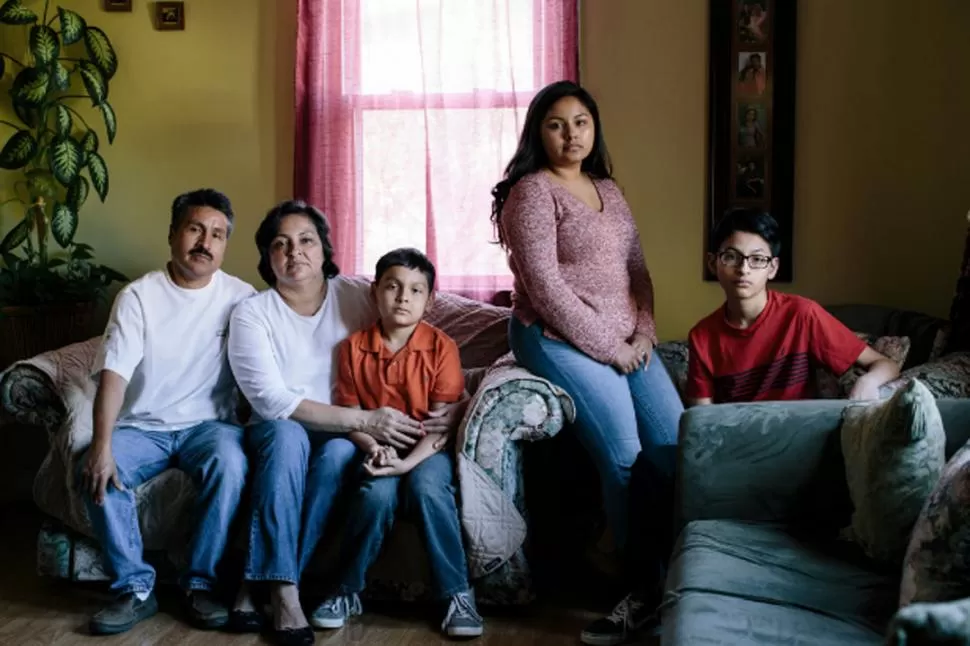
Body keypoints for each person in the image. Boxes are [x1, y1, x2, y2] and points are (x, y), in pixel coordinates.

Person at [491, 80, 683, 646]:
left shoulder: (609, 190)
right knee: (625, 457)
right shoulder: (532, 193)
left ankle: (676, 575)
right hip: (553, 336)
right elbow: (546, 290)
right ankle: (641, 593)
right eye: (556, 123)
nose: (571, 133)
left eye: (581, 121)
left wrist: (643, 333)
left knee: (675, 448)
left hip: (628, 338)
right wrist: (612, 348)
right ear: (538, 132)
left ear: (594, 128)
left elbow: (638, 272)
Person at [227, 201, 467, 646]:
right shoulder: (252, 313)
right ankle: (283, 592)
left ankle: (265, 581)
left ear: (324, 250)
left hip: (345, 434)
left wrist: (460, 403)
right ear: (267, 257)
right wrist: (366, 420)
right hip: (283, 426)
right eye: (280, 244)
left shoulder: (356, 294)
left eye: (305, 241)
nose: (294, 252)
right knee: (286, 440)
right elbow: (273, 400)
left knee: (338, 454)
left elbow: (417, 332)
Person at [78, 189, 256, 635]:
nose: (205, 242)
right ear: (173, 234)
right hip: (144, 427)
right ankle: (135, 588)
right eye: (195, 229)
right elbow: (114, 375)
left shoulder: (242, 297)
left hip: (210, 426)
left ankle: (200, 583)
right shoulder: (138, 296)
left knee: (231, 465)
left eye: (218, 235)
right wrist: (102, 446)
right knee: (98, 470)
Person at [310, 247, 484, 639]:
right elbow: (349, 415)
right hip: (376, 446)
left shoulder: (442, 348)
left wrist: (407, 464)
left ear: (430, 299)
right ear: (375, 292)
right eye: (392, 286)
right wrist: (374, 449)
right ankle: (346, 589)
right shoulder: (353, 348)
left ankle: (457, 593)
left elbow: (441, 424)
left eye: (415, 290)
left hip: (428, 451)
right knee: (375, 495)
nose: (403, 297)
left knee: (427, 489)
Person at [688, 208, 900, 405]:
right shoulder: (702, 336)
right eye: (731, 257)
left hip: (799, 435)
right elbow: (702, 419)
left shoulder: (802, 315)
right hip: (738, 439)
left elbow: (886, 365)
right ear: (712, 263)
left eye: (757, 259)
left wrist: (867, 383)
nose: (744, 269)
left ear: (772, 268)